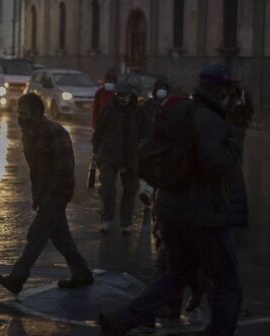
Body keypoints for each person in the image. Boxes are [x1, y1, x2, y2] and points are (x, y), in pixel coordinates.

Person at [99, 63, 248, 336]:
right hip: (204, 216)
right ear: (222, 89)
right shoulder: (211, 120)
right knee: (228, 284)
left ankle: (121, 320)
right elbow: (214, 162)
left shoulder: (186, 112)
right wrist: (236, 136)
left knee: (174, 276)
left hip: (174, 211)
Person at [0, 93, 93, 294]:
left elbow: (65, 168)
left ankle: (17, 278)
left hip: (57, 192)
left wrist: (51, 196)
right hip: (44, 192)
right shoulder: (29, 133)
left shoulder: (55, 133)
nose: (20, 117)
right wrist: (38, 195)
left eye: (24, 113)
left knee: (37, 234)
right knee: (60, 237)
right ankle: (82, 273)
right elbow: (35, 169)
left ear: (38, 114)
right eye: (18, 113)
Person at [92, 79, 144, 234]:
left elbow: (146, 133)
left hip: (131, 158)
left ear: (130, 94)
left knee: (130, 191)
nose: (123, 98)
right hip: (109, 156)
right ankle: (107, 218)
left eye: (126, 95)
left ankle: (126, 223)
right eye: (120, 95)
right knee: (107, 187)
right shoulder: (108, 110)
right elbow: (98, 132)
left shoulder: (138, 111)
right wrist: (95, 152)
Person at [225, 83, 254, 163]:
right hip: (231, 126)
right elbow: (226, 110)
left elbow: (251, 109)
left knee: (239, 147)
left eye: (233, 89)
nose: (231, 90)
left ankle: (238, 165)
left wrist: (243, 119)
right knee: (231, 146)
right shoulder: (229, 98)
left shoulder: (244, 96)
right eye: (230, 89)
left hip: (240, 126)